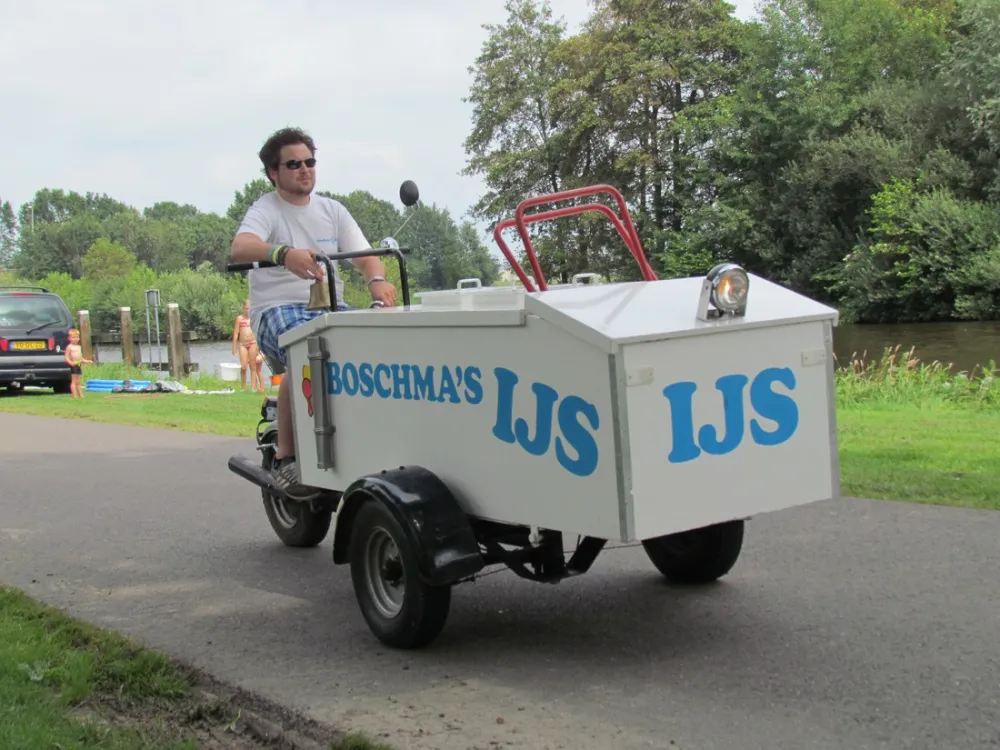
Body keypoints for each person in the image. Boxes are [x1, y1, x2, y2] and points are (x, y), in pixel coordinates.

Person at [230, 127, 396, 501]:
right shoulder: (265, 209)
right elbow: (240, 247)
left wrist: (376, 280)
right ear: (274, 172)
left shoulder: (332, 210)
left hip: (329, 306)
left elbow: (364, 256)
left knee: (382, 338)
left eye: (310, 162)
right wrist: (282, 254)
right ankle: (288, 459)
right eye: (293, 164)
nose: (304, 169)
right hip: (277, 308)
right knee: (305, 348)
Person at [231, 299, 264, 392]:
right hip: (242, 344)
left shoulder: (254, 318)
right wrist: (234, 347)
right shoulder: (239, 319)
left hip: (253, 343)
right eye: (246, 309)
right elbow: (236, 333)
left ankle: (253, 387)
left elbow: (259, 331)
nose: (248, 311)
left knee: (253, 366)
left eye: (249, 309)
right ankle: (243, 387)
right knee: (243, 366)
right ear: (243, 308)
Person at [63, 328, 93, 398]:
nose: (76, 339)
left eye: (77, 337)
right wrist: (70, 363)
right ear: (69, 338)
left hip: (79, 365)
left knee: (78, 382)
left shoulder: (79, 347)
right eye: (74, 337)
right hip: (74, 365)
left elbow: (80, 358)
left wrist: (86, 361)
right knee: (74, 381)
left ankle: (81, 395)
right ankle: (74, 395)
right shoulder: (69, 347)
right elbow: (66, 357)